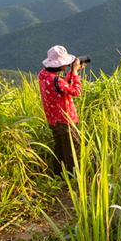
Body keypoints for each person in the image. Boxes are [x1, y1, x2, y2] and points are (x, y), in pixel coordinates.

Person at [38, 45, 84, 176]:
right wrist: (74, 72)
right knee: (72, 151)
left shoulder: (44, 75)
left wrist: (71, 72)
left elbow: (62, 86)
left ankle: (57, 175)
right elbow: (76, 91)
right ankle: (73, 179)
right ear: (62, 64)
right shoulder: (56, 80)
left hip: (54, 120)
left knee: (59, 149)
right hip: (65, 120)